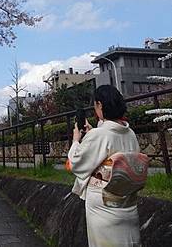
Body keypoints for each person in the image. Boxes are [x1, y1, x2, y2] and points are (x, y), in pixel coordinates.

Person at [67, 85, 141, 247]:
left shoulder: (99, 135)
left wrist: (76, 140)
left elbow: (76, 164)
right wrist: (93, 131)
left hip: (103, 204)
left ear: (100, 105)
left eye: (95, 106)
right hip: (128, 201)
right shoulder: (130, 133)